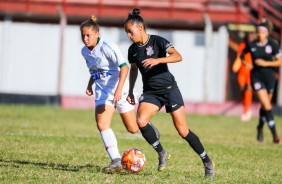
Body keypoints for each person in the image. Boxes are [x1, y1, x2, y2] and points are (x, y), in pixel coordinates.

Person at [124, 8, 215, 177]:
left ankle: (207, 162)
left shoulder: (158, 41)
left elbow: (178, 56)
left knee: (182, 131)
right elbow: (134, 69)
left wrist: (158, 60)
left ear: (141, 27)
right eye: (127, 33)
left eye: (130, 31)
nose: (129, 36)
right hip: (151, 92)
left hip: (169, 90)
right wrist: (130, 90)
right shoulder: (133, 50)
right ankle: (162, 152)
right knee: (141, 121)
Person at [80, 15, 139, 173]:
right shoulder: (84, 51)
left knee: (133, 128)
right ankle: (116, 160)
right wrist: (90, 84)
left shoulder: (108, 47)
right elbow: (95, 70)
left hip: (120, 90)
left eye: (88, 35)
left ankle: (148, 126)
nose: (85, 39)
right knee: (102, 124)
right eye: (83, 35)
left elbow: (124, 67)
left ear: (97, 33)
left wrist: (119, 90)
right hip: (103, 92)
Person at [241, 23, 282, 143]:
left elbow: (280, 62)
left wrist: (265, 63)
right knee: (266, 104)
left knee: (265, 105)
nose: (260, 34)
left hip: (269, 78)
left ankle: (260, 127)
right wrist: (245, 63)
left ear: (267, 33)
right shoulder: (251, 44)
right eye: (258, 32)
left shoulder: (272, 45)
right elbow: (242, 54)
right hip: (256, 77)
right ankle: (275, 134)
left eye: (262, 32)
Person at [232, 32, 256, 122]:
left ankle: (246, 111)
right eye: (250, 35)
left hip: (251, 72)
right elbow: (239, 56)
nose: (251, 37)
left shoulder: (256, 46)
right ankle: (245, 109)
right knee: (242, 90)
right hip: (242, 71)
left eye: (252, 35)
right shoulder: (242, 45)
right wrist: (236, 65)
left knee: (249, 89)